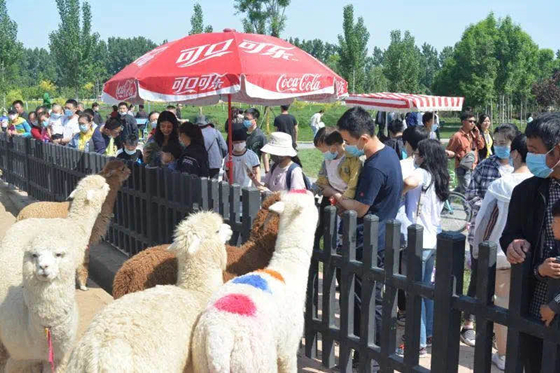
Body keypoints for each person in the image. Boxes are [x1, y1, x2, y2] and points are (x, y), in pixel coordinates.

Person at [333, 107, 403, 359]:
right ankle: (366, 354)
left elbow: (361, 209)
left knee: (368, 303)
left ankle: (370, 358)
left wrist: (337, 197)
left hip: (370, 242)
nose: (345, 146)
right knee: (365, 300)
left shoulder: (375, 167)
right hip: (377, 237)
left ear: (362, 138)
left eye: (347, 141)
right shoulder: (389, 155)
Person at [500, 113, 560, 372]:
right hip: (534, 302)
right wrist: (512, 245)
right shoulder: (525, 192)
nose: (530, 156)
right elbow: (509, 234)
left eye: (535, 150)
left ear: (557, 151)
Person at [470, 133, 531, 370]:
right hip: (531, 258)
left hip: (501, 255)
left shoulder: (501, 184)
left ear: (515, 153)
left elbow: (484, 222)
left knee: (503, 306)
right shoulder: (541, 181)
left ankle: (505, 355)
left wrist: (477, 253)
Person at [461, 123, 518, 347]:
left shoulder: (519, 168)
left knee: (503, 285)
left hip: (509, 239)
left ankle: (497, 330)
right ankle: (469, 324)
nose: (499, 147)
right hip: (484, 233)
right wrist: (489, 209)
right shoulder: (486, 166)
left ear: (514, 146)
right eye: (497, 143)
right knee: (479, 279)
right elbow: (471, 195)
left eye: (504, 143)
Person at [397, 139, 449, 357]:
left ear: (425, 156)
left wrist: (398, 192)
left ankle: (416, 343)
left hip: (416, 240)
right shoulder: (441, 177)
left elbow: (409, 179)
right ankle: (428, 334)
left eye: (417, 153)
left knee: (413, 294)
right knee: (425, 291)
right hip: (431, 240)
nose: (415, 157)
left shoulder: (423, 174)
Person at [314, 127, 362, 200]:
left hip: (347, 199)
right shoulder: (327, 160)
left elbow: (353, 184)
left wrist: (344, 199)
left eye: (323, 151)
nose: (323, 154)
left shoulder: (351, 160)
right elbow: (321, 179)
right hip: (333, 197)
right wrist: (312, 191)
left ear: (333, 148)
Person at [446, 112, 485, 194]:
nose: (473, 123)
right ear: (463, 122)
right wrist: (457, 155)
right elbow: (449, 151)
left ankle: (447, 201)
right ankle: (467, 207)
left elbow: (481, 146)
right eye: (470, 121)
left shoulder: (473, 135)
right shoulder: (457, 136)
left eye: (474, 121)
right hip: (462, 168)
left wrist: (478, 135)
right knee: (467, 191)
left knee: (462, 187)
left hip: (474, 166)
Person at [540, 199, 560, 328]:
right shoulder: (557, 246)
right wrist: (541, 270)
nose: (552, 226)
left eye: (556, 221)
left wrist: (552, 307)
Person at [223, 123, 260, 187]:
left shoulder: (252, 155)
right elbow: (227, 173)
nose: (239, 144)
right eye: (236, 142)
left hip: (248, 189)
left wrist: (258, 186)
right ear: (232, 143)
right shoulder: (229, 157)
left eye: (241, 141)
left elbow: (257, 171)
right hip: (233, 189)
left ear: (245, 141)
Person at [197, 114, 227, 179]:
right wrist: (221, 157)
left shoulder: (195, 133)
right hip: (215, 162)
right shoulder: (216, 131)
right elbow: (224, 147)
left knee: (202, 185)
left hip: (200, 163)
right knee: (214, 184)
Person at [244, 108, 269, 173]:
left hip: (254, 170)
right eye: (244, 118)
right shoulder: (241, 132)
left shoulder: (260, 136)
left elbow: (265, 154)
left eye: (247, 119)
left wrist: (267, 170)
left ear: (255, 120)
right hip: (241, 168)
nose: (245, 121)